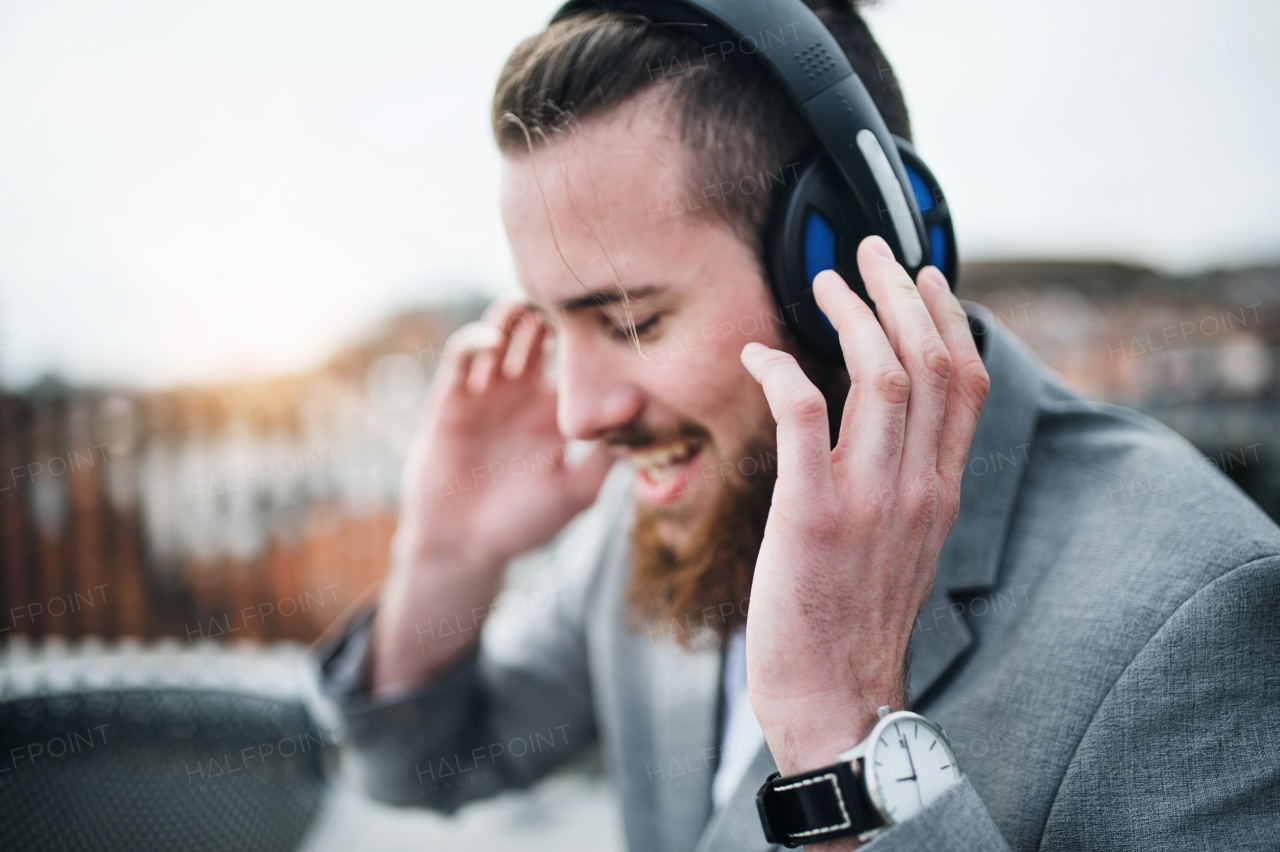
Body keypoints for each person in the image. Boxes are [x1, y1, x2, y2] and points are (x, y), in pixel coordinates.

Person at [316, 2, 1280, 849]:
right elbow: (424, 769)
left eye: (631, 321)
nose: (581, 414)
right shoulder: (665, 500)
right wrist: (449, 548)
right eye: (553, 324)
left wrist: (848, 736)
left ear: (850, 263)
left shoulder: (1196, 618)